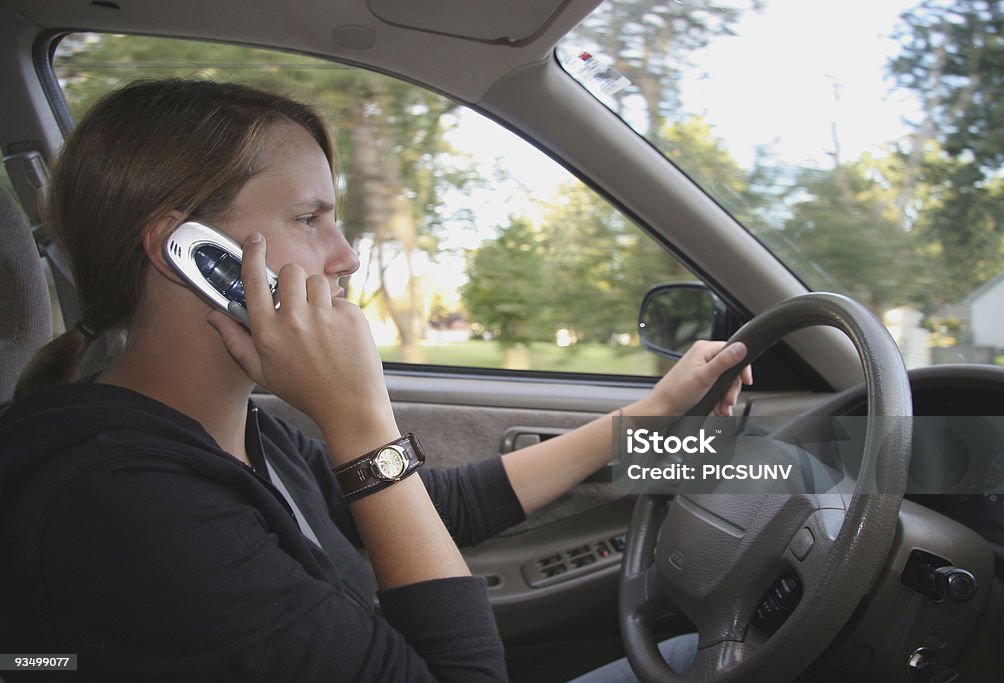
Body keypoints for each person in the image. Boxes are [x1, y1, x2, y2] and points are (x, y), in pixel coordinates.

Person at [0, 79, 751, 681]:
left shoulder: (249, 434)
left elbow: (439, 506)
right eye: (310, 218)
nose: (345, 255)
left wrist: (643, 420)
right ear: (192, 252)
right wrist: (358, 416)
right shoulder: (120, 501)